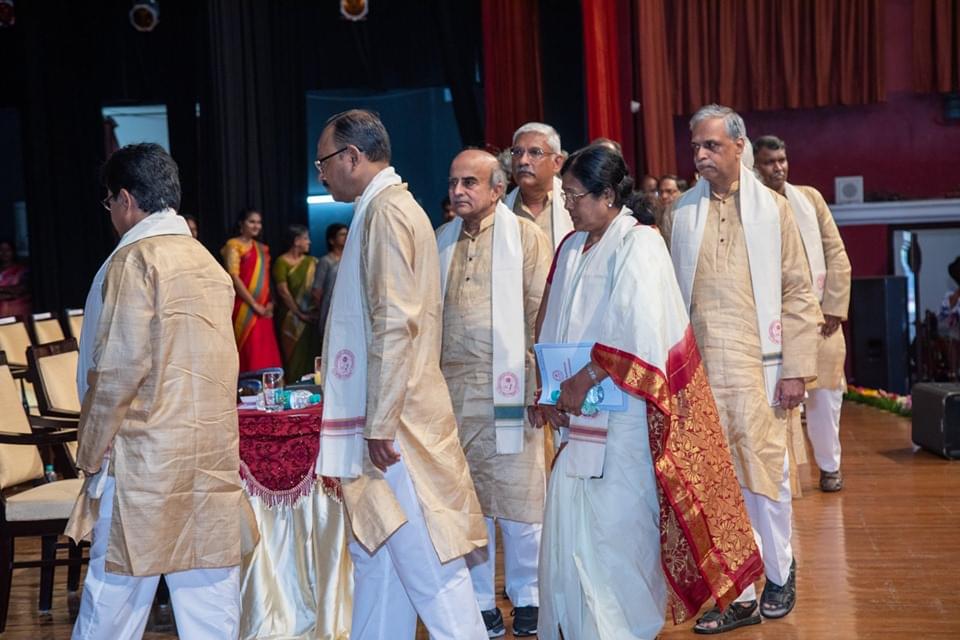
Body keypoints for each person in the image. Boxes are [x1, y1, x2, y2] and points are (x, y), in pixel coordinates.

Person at [534, 144, 762, 640]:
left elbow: (639, 328)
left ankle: (623, 629)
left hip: (624, 417)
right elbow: (552, 324)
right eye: (565, 195)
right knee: (572, 524)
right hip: (577, 416)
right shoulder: (572, 248)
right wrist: (550, 391)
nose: (567, 205)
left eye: (574, 195)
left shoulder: (640, 243)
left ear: (609, 195)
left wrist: (586, 378)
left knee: (616, 530)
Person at [65, 143, 252, 640]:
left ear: (126, 199)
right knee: (210, 599)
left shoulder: (134, 260)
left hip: (142, 457)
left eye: (110, 203)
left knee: (114, 599)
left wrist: (89, 450)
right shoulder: (208, 262)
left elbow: (117, 369)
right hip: (208, 453)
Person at [314, 109, 487, 640]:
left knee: (430, 569)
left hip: (396, 427)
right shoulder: (382, 207)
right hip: (389, 416)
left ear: (352, 157)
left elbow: (395, 321)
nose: (320, 174)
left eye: (323, 162)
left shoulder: (387, 212)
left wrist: (380, 422)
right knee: (378, 566)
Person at [661, 105, 822, 632]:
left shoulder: (773, 210)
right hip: (700, 372)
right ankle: (738, 592)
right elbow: (667, 300)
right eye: (695, 148)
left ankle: (778, 570)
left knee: (764, 478)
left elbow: (799, 291)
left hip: (761, 369)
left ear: (738, 147)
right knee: (715, 483)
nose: (700, 156)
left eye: (710, 147)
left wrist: (796, 367)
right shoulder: (680, 211)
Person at [437, 150, 552, 637]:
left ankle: (529, 596)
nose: (459, 191)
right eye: (453, 182)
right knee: (467, 503)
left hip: (511, 386)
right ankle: (481, 601)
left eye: (470, 182)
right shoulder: (440, 239)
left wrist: (538, 384)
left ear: (495, 188)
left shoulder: (526, 238)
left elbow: (540, 313)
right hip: (450, 392)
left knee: (521, 501)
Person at [754, 135, 852, 492]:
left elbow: (836, 254)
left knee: (826, 399)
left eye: (782, 159)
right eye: (769, 162)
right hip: (770, 326)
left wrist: (834, 308)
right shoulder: (749, 206)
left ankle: (830, 467)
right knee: (776, 406)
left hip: (818, 322)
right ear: (754, 165)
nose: (778, 167)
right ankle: (782, 479)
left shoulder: (809, 198)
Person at [221, 208, 282, 373]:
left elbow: (267, 279)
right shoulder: (233, 245)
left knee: (266, 353)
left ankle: (270, 392)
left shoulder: (262, 249)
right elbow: (234, 277)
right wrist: (254, 305)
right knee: (249, 352)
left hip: (264, 309)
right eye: (252, 221)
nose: (256, 226)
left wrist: (270, 303)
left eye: (259, 222)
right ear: (242, 224)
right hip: (244, 308)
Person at [504, 122, 574, 249]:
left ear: (557, 163)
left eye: (535, 152)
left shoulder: (576, 204)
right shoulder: (501, 208)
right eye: (517, 152)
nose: (523, 161)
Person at [273, 224, 322, 383]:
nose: (309, 242)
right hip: (290, 319)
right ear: (296, 241)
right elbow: (283, 291)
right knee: (293, 357)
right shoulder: (281, 262)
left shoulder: (312, 261)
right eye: (306, 238)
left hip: (311, 317)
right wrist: (299, 313)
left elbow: (318, 289)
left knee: (312, 355)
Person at [312, 222, 347, 341]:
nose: (346, 237)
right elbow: (317, 290)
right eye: (342, 234)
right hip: (330, 309)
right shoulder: (325, 261)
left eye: (347, 234)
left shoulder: (352, 260)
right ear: (332, 240)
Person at [0, 239, 30, 317]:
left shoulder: (22, 270)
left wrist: (3, 290)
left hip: (17, 314)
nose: (4, 253)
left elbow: (19, 290)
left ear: (13, 251)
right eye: (1, 250)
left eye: (7, 250)